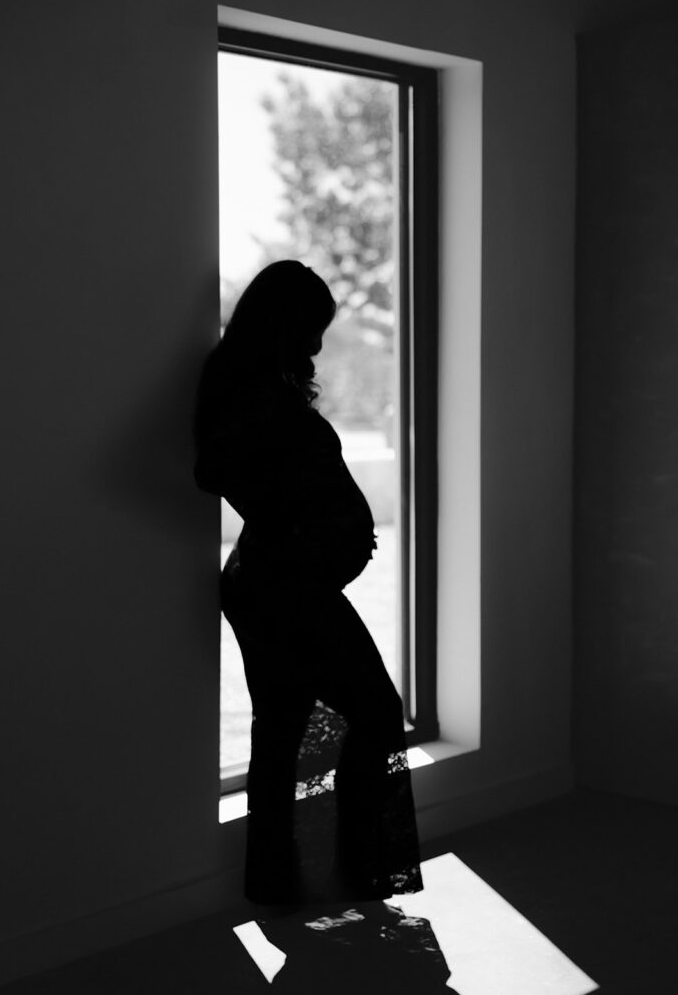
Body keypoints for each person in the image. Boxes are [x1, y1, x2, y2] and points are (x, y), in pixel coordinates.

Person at [194, 260, 422, 910]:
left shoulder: (260, 385)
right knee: (373, 713)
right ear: (283, 324)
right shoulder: (252, 394)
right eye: (312, 329)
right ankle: (356, 869)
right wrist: (301, 529)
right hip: (281, 588)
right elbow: (215, 472)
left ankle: (283, 883)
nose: (318, 345)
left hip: (277, 584)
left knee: (283, 726)